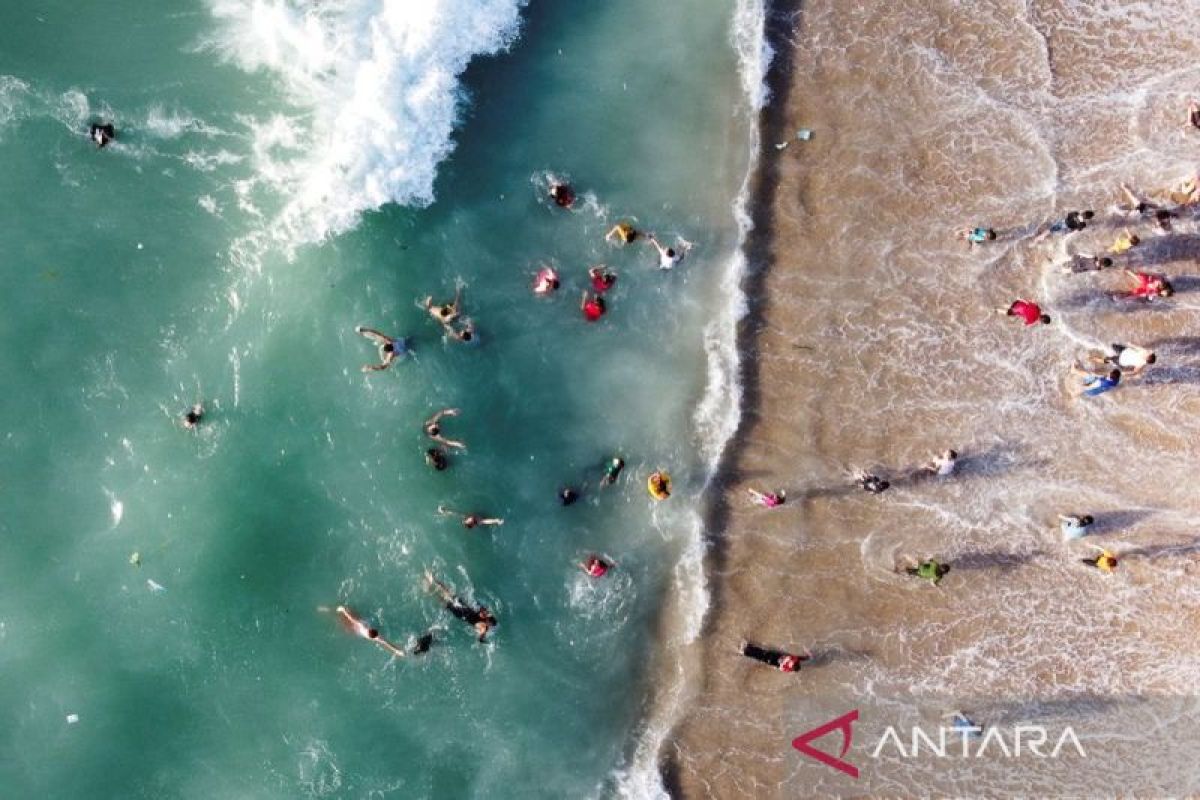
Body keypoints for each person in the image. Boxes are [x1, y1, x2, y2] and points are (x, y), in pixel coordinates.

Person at [424, 570, 497, 642]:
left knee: (449, 594)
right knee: (445, 601)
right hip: (461, 613)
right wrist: (482, 638)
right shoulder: (484, 627)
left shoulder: (485, 616)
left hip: (466, 608)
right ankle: (430, 588)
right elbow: (481, 636)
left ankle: (433, 579)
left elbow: (481, 609)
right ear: (489, 623)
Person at [335, 605, 407, 658]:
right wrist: (398, 651)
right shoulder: (375, 636)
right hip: (359, 628)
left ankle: (341, 615)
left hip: (358, 629)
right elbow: (387, 643)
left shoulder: (371, 633)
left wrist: (343, 610)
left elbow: (352, 619)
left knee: (348, 623)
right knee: (351, 621)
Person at [738, 640, 810, 673]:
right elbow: (780, 667)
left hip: (775, 657)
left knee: (762, 652)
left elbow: (800, 658)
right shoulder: (788, 670)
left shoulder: (794, 660)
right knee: (760, 657)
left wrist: (807, 657)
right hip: (773, 661)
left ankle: (748, 648)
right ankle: (746, 652)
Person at [1091, 343, 1156, 376]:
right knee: (1109, 357)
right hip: (1123, 357)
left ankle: (1094, 358)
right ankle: (1094, 359)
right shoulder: (1141, 364)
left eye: (1149, 355)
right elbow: (1135, 371)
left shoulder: (1144, 352)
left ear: (1148, 356)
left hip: (1122, 356)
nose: (1149, 353)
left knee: (1112, 348)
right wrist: (1125, 373)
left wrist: (1130, 343)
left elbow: (1135, 346)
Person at [437, 504, 504, 529]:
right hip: (477, 520)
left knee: (457, 514)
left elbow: (454, 513)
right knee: (484, 521)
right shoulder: (478, 521)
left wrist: (444, 511)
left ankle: (443, 511)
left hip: (475, 519)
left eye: (466, 520)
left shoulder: (465, 517)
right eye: (468, 521)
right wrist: (497, 521)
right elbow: (486, 521)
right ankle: (497, 522)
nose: (468, 519)